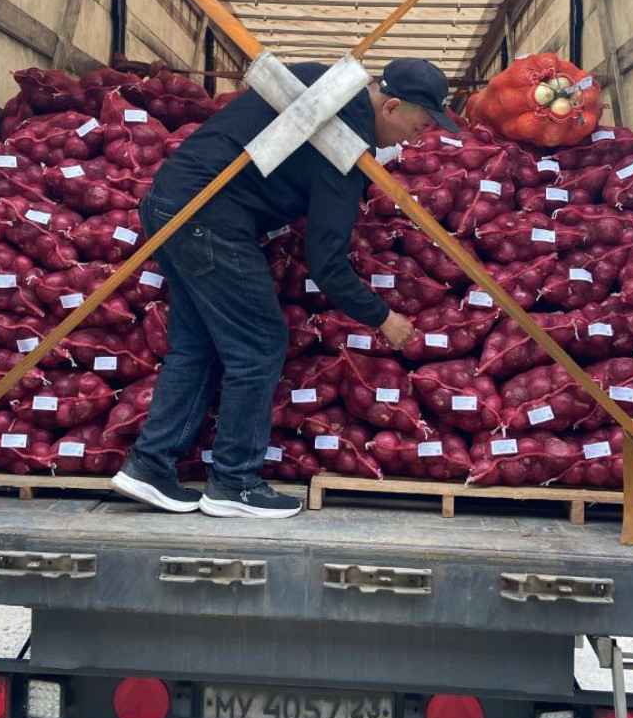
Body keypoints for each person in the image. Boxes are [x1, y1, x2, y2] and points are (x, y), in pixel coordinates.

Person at [111, 57, 459, 520]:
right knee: (259, 343)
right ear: (392, 106)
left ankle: (150, 466)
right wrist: (383, 317)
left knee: (196, 343)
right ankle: (234, 481)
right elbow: (327, 263)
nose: (413, 139)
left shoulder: (319, 79)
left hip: (170, 200)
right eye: (418, 126)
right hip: (209, 218)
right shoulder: (345, 151)